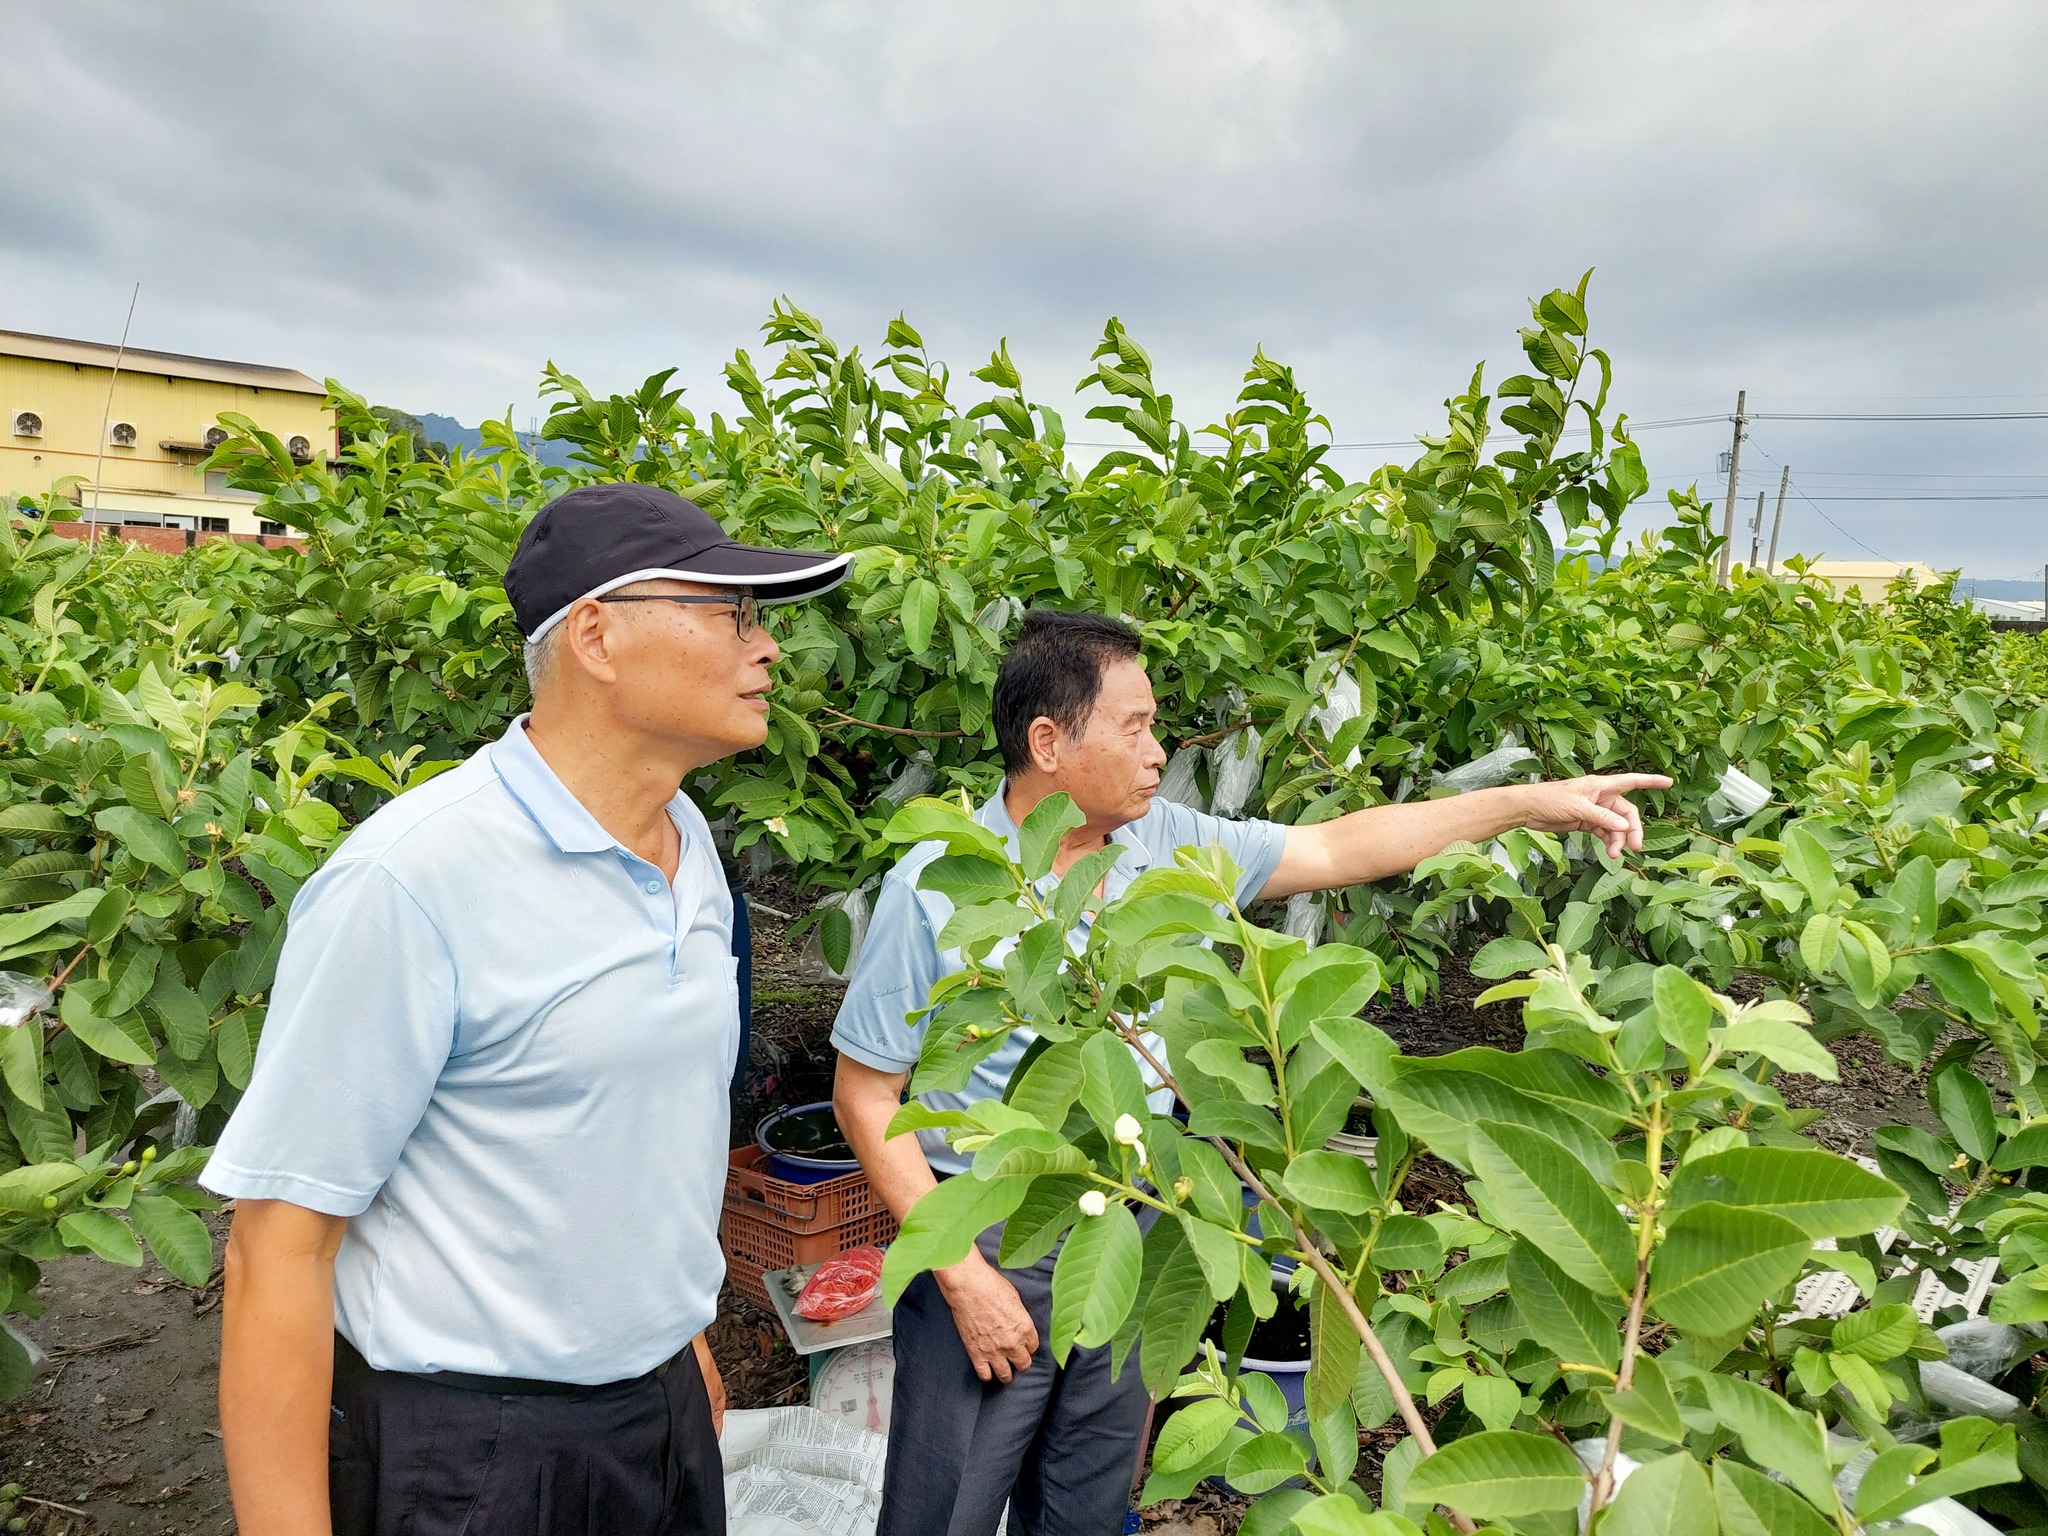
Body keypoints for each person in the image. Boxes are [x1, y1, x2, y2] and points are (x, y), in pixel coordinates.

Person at [831, 608, 1671, 1536]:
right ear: (1048, 743)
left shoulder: (1168, 845)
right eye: (1136, 726)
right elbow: (866, 1095)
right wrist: (961, 1277)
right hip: (991, 1240)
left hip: (1135, 1225)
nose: (1159, 750)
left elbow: (1343, 845)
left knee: (1086, 1503)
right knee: (940, 1513)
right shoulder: (938, 882)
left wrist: (1534, 801)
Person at [202, 484, 850, 1536]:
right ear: (596, 635)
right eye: (733, 614)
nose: (768, 647)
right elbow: (278, 1245)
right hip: (474, 1454)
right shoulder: (414, 880)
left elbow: (638, 1144)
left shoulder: (688, 848)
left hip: (660, 1412)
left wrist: (677, 1354)